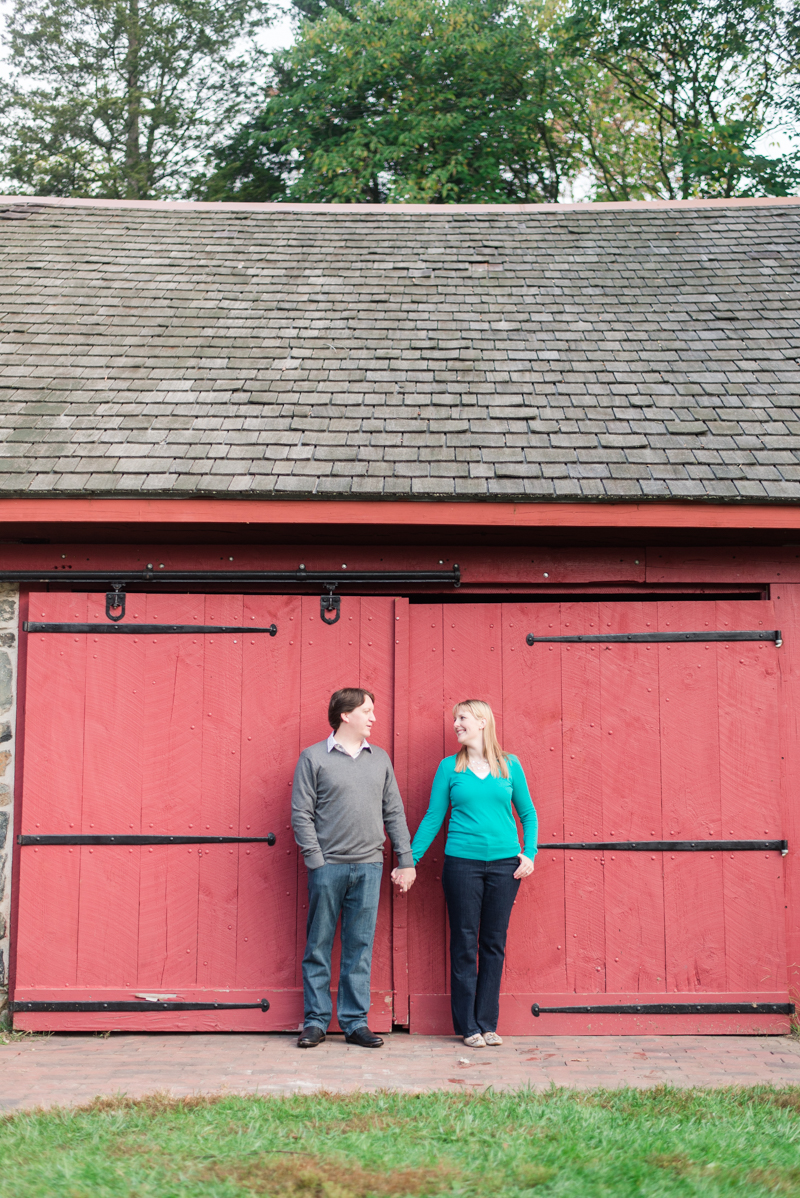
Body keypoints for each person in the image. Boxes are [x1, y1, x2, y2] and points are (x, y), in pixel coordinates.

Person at [401, 700, 537, 1047]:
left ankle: (488, 1023)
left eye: (461, 718)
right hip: (462, 865)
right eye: (455, 720)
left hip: (506, 867)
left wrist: (530, 853)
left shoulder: (510, 765)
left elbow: (528, 814)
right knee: (464, 943)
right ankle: (468, 1027)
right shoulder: (449, 768)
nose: (456, 724)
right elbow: (434, 817)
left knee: (493, 943)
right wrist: (409, 860)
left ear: (481, 721)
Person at [291, 687, 416, 1049]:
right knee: (319, 944)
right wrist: (316, 860)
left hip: (369, 867)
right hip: (327, 867)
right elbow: (301, 814)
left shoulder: (380, 759)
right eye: (367, 711)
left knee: (359, 947)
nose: (373, 717)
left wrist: (405, 860)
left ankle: (354, 1022)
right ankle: (315, 1022)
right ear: (345, 715)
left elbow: (393, 811)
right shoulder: (313, 757)